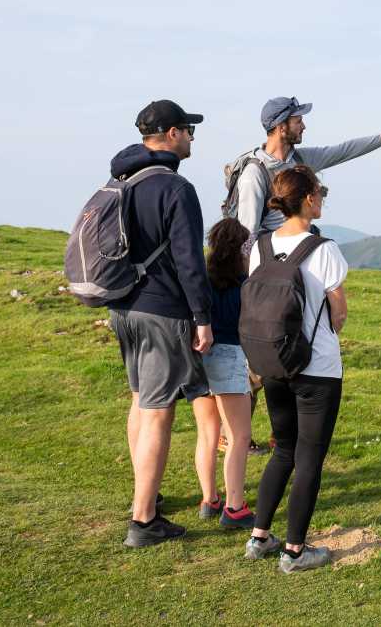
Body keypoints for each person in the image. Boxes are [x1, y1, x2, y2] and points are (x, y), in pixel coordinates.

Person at [109, 100, 214, 548]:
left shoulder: (122, 180)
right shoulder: (175, 188)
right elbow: (190, 260)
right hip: (162, 310)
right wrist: (202, 317)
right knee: (158, 412)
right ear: (171, 133)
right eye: (188, 129)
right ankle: (144, 519)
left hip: (123, 307)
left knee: (140, 401)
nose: (191, 137)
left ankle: (145, 496)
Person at [243, 166, 350, 573]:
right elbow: (338, 311)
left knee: (283, 448)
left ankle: (259, 537)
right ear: (308, 199)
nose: (322, 196)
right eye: (320, 191)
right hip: (317, 367)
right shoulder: (324, 249)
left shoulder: (261, 246)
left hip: (273, 363)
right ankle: (294, 550)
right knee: (309, 457)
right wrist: (328, 331)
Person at [230, 95, 381, 239]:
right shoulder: (254, 174)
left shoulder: (300, 159)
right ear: (282, 128)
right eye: (298, 121)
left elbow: (344, 150)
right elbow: (247, 235)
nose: (304, 126)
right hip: (273, 265)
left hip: (298, 255)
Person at [190, 218, 256, 529]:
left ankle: (209, 499)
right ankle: (235, 507)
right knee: (238, 436)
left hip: (198, 358)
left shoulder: (200, 279)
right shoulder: (245, 284)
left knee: (207, 433)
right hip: (228, 356)